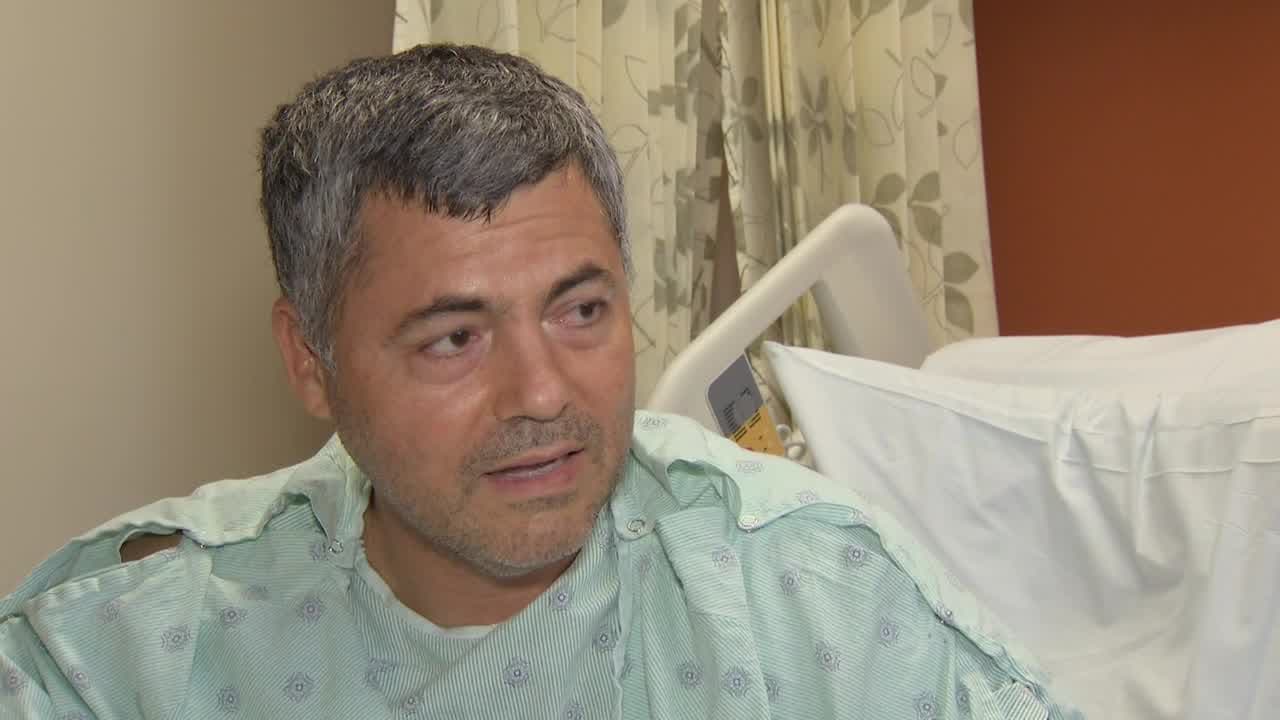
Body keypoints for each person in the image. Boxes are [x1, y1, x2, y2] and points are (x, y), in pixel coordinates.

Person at [0, 44, 1077, 719]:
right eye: (453, 340)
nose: (543, 395)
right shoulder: (127, 656)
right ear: (309, 362)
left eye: (581, 311)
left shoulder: (812, 602)